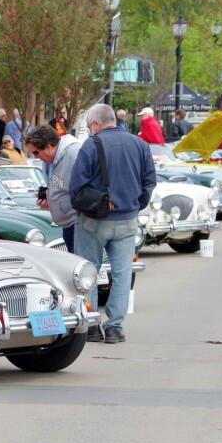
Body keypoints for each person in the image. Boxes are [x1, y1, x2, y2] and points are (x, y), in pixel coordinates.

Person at [70, 104, 156, 344]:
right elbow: (149, 180)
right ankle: (115, 327)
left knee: (89, 272)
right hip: (128, 219)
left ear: (96, 124)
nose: (90, 131)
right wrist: (136, 203)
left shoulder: (91, 145)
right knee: (122, 273)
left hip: (94, 221)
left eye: (89, 127)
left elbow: (77, 187)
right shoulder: (139, 144)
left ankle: (92, 325)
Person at [25, 125, 81, 252]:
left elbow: (82, 190)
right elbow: (59, 188)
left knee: (81, 265)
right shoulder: (48, 162)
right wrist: (50, 200)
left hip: (79, 223)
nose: (35, 157)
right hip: (67, 223)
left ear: (49, 146)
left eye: (35, 152)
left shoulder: (74, 154)